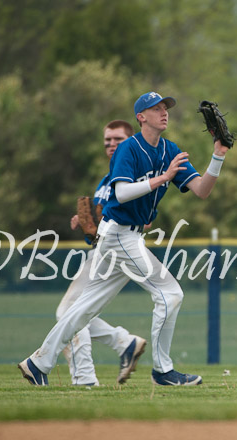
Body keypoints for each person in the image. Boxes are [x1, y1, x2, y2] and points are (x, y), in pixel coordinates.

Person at [19, 91, 228, 386]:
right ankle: (163, 371)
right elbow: (122, 192)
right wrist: (162, 178)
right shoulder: (128, 149)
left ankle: (37, 363)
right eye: (156, 109)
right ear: (141, 117)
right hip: (120, 235)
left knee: (83, 308)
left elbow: (202, 190)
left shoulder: (169, 150)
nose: (164, 112)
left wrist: (217, 155)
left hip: (122, 237)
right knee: (170, 294)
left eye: (165, 107)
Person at [58, 119, 147, 386]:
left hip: (116, 250)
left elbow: (144, 215)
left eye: (117, 139)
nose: (111, 144)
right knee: (72, 312)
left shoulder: (133, 171)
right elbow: (100, 218)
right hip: (103, 250)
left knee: (70, 312)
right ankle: (125, 343)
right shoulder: (108, 178)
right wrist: (82, 220)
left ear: (130, 142)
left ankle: (85, 376)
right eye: (107, 140)